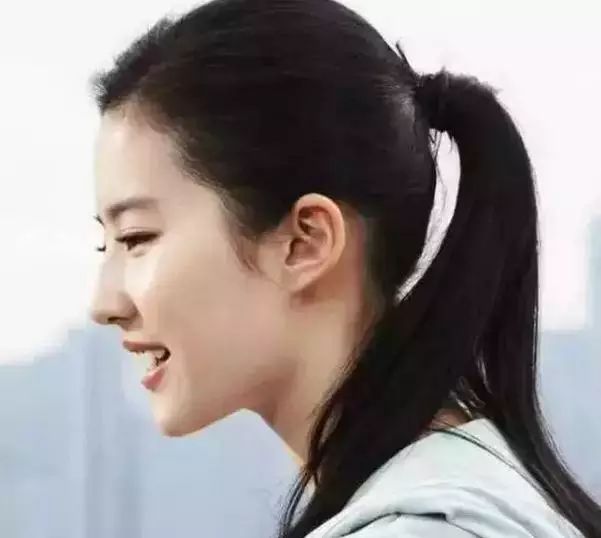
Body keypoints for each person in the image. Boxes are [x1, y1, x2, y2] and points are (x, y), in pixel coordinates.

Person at [87, 0, 601, 536]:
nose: (104, 305)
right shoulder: (476, 492)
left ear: (305, 242)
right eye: (106, 246)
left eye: (137, 238)